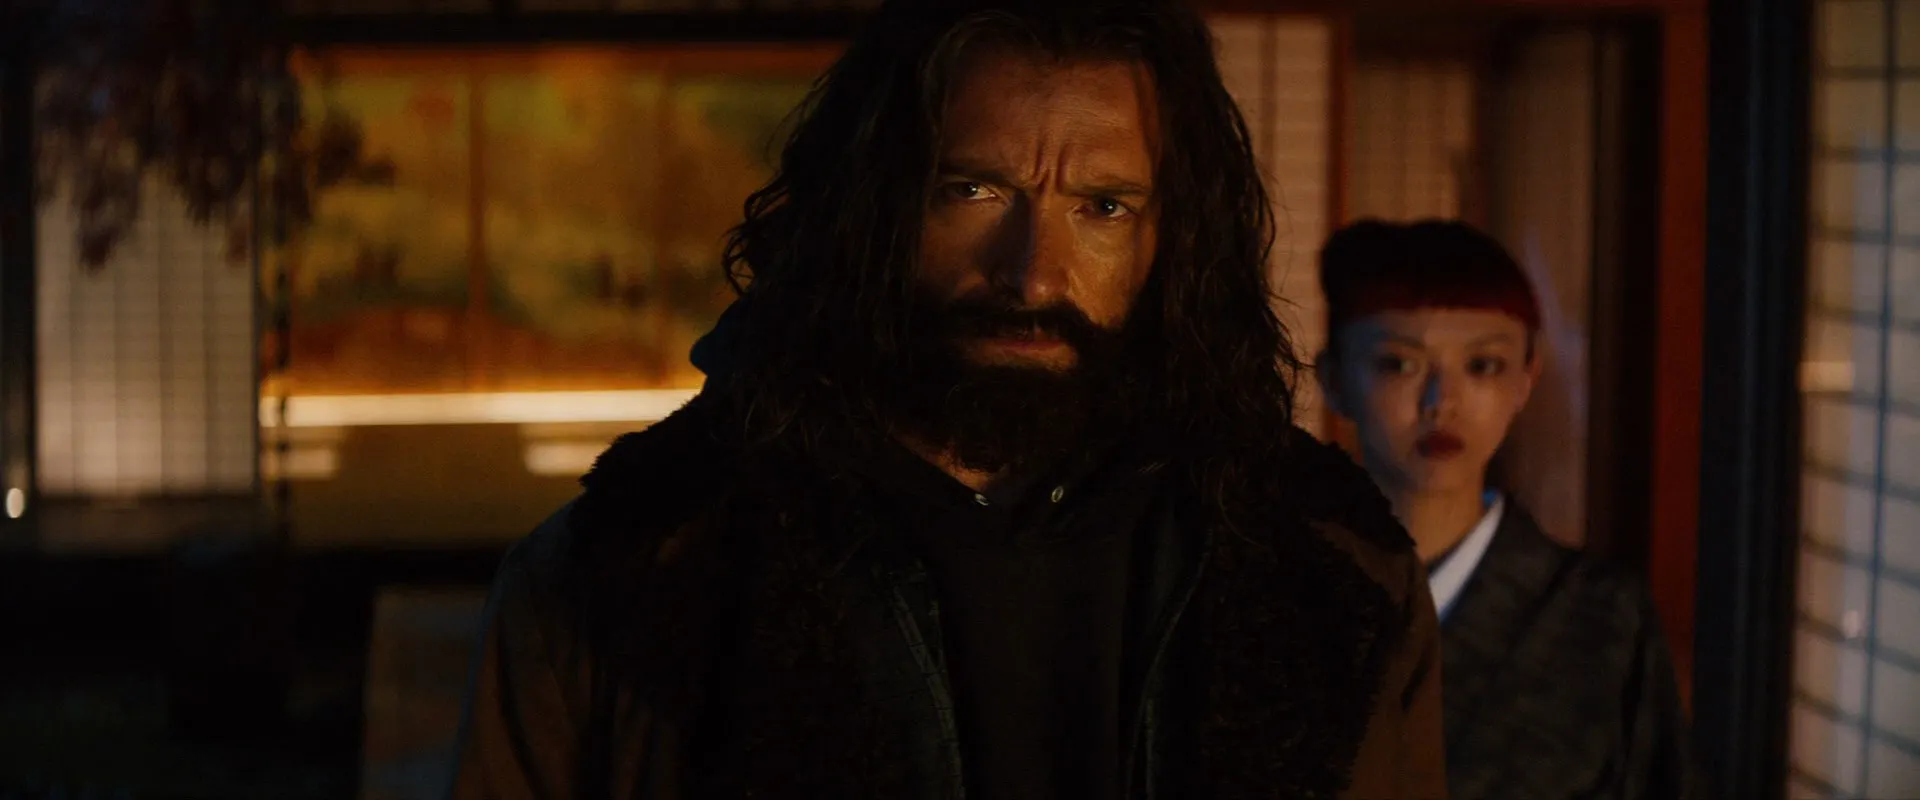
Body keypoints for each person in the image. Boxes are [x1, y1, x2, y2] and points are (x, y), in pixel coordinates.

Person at [448, 1, 1447, 797]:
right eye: (972, 190)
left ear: (1172, 242)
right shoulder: (633, 564)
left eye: (1102, 207)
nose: (1033, 274)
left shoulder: (1328, 572)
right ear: (873, 203)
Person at [1315, 219, 1701, 799]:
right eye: (1399, 364)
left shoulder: (1603, 616)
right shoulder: (1272, 591)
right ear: (1334, 379)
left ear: (1526, 378)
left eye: (1483, 366)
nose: (1441, 402)